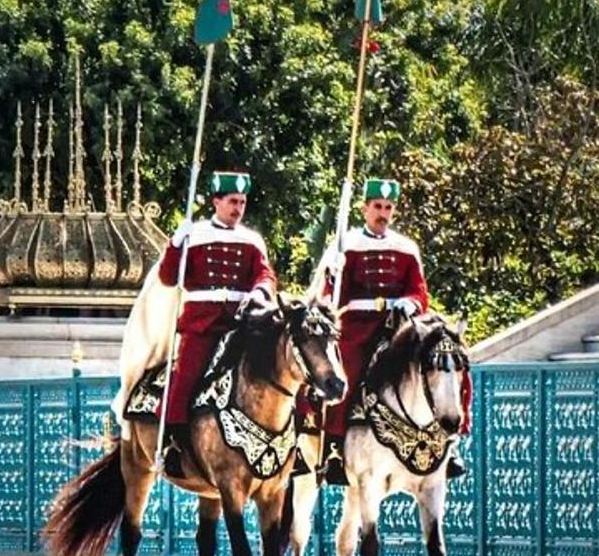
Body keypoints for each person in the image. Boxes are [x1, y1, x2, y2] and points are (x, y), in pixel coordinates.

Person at [305, 177, 468, 485]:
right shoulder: (347, 244)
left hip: (400, 327)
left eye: (388, 207)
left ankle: (451, 443)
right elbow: (329, 296)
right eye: (377, 207)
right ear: (365, 208)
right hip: (358, 327)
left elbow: (419, 291)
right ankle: (335, 450)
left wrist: (409, 303)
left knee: (447, 358)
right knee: (346, 376)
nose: (383, 213)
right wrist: (333, 272)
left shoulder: (406, 247)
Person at [157, 170, 276, 477]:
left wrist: (261, 290)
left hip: (242, 322)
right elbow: (169, 278)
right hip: (204, 323)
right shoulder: (195, 235)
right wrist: (175, 243)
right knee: (186, 376)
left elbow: (265, 274)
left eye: (243, 202)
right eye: (233, 201)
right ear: (216, 202)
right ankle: (172, 442)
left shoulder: (251, 240)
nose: (238, 208)